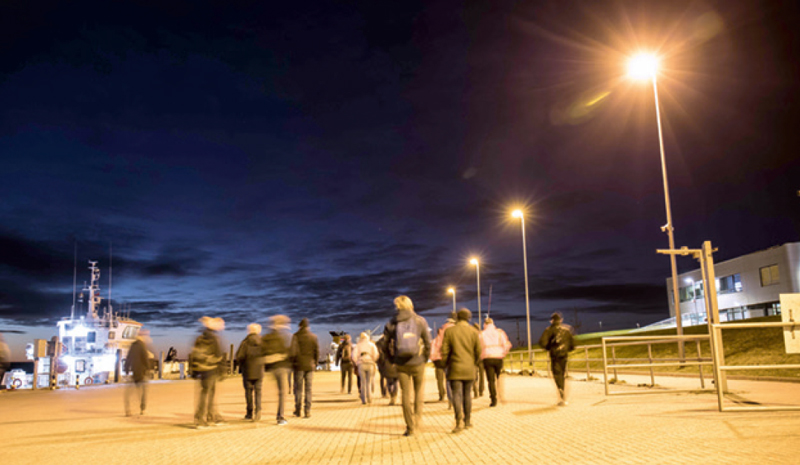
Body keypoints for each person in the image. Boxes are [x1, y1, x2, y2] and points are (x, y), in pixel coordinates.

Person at [383, 295, 431, 437]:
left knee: (405, 394)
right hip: (418, 362)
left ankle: (409, 427)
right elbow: (428, 343)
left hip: (401, 363)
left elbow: (384, 345)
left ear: (397, 306)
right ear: (411, 305)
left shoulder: (392, 322)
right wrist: (424, 358)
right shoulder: (420, 320)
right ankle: (417, 420)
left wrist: (392, 359)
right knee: (418, 393)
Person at [441, 308, 481, 433]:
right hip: (469, 369)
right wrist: (473, 363)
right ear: (469, 318)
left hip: (455, 368)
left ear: (457, 317)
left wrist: (446, 364)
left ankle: (459, 421)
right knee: (467, 395)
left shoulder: (449, 331)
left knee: (457, 395)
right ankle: (468, 421)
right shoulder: (474, 332)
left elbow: (444, 351)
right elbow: (478, 352)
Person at [191, 316, 226, 428]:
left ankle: (209, 417)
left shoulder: (200, 338)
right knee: (208, 394)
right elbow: (220, 355)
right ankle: (202, 419)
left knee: (205, 393)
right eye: (221, 324)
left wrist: (194, 371)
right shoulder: (215, 338)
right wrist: (222, 371)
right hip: (211, 369)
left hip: (202, 369)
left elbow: (193, 355)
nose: (222, 326)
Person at [538, 312, 575, 406]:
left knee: (556, 374)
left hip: (554, 355)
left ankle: (560, 389)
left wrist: (549, 348)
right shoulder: (567, 329)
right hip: (564, 355)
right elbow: (572, 344)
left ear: (552, 320)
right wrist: (567, 349)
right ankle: (562, 391)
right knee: (562, 373)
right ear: (561, 320)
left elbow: (542, 342)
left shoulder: (549, 330)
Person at [263, 314, 292, 425]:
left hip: (272, 367)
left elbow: (262, 352)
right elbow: (287, 352)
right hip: (280, 366)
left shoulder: (266, 337)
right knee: (282, 392)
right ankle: (280, 416)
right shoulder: (282, 336)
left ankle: (279, 415)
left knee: (280, 392)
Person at [290, 318, 319, 418]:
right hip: (309, 365)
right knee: (308, 389)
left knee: (298, 389)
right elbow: (317, 352)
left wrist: (292, 362)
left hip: (298, 365)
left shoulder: (295, 336)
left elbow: (292, 352)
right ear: (308, 326)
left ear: (300, 326)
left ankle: (298, 410)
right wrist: (315, 362)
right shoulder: (313, 337)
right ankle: (307, 410)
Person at [235, 323, 265, 421]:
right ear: (259, 331)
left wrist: (242, 364)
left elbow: (239, 356)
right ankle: (258, 410)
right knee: (258, 392)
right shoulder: (262, 342)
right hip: (259, 370)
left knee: (248, 391)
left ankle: (249, 412)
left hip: (247, 370)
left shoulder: (245, 342)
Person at [480, 317, 512, 407]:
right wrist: (503, 353)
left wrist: (481, 356)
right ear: (493, 323)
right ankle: (501, 395)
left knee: (491, 380)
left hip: (487, 358)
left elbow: (478, 347)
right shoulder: (500, 332)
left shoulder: (481, 334)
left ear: (484, 324)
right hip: (498, 358)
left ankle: (493, 399)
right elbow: (507, 344)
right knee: (500, 378)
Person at [430, 312, 456, 406]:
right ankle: (455, 398)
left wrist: (434, 359)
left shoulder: (439, 335)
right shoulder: (455, 330)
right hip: (452, 358)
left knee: (443, 380)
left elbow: (432, 351)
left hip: (439, 361)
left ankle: (446, 397)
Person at [124, 328, 152, 416]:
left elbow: (128, 357)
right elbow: (145, 358)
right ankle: (142, 409)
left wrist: (126, 369)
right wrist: (149, 369)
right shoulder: (142, 345)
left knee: (129, 392)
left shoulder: (133, 345)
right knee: (143, 392)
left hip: (134, 371)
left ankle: (128, 410)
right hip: (142, 372)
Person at [352, 332, 380, 404]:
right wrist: (373, 360)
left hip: (361, 364)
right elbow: (376, 354)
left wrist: (357, 362)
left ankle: (363, 399)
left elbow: (353, 356)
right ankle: (369, 398)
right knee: (369, 382)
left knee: (363, 382)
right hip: (370, 363)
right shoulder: (371, 345)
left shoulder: (358, 345)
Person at [375, 335, 398, 405]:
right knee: (396, 380)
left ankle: (389, 393)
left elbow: (378, 355)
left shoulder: (379, 343)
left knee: (389, 380)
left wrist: (381, 363)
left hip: (386, 363)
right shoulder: (396, 341)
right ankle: (394, 394)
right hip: (396, 363)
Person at [471, 322, 486, 399]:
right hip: (482, 357)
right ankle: (481, 390)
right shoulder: (482, 336)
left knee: (474, 374)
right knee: (482, 374)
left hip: (473, 357)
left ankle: (475, 391)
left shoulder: (471, 336)